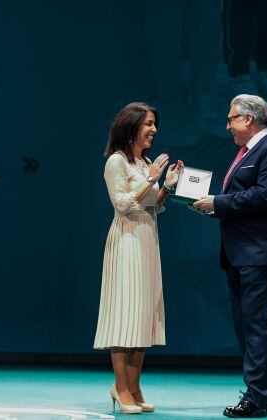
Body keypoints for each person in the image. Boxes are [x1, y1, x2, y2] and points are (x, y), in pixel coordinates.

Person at [192, 94, 267, 418]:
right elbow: (246, 198)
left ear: (249, 119)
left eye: (231, 119)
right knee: (246, 327)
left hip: (260, 253)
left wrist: (218, 203)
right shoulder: (251, 151)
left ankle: (259, 397)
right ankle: (264, 395)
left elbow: (266, 195)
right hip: (243, 253)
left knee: (255, 327)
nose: (227, 126)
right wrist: (212, 207)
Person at [93, 102, 182, 414]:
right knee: (124, 315)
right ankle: (121, 388)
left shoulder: (144, 163)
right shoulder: (116, 162)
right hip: (126, 240)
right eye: (148, 123)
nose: (153, 130)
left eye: (154, 124)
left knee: (142, 315)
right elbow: (123, 204)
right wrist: (152, 177)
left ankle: (133, 386)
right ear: (131, 127)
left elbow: (151, 207)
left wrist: (166, 188)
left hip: (146, 239)